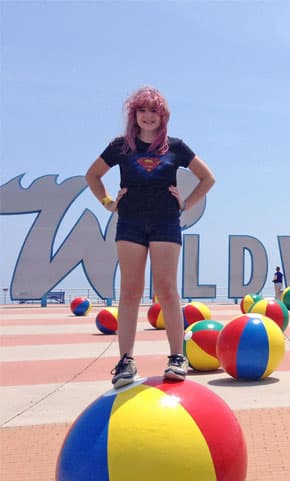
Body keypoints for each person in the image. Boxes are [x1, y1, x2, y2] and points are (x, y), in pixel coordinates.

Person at [85, 86, 216, 388]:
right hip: (129, 223)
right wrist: (107, 202)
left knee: (167, 289)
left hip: (166, 223)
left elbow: (208, 177)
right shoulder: (121, 147)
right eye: (142, 110)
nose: (147, 116)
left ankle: (176, 357)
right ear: (134, 115)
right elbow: (92, 175)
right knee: (130, 290)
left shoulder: (176, 147)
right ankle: (125, 361)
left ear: (163, 116)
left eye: (153, 111)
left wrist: (186, 202)